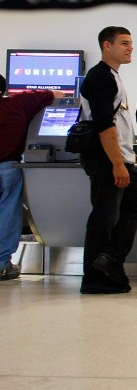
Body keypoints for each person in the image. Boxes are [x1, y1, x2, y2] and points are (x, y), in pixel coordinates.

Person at [78, 26, 137, 294]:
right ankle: (94, 276)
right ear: (107, 45)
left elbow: (118, 123)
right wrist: (118, 162)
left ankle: (108, 261)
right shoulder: (99, 78)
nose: (130, 48)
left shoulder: (112, 76)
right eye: (124, 43)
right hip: (105, 160)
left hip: (118, 155)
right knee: (104, 217)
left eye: (131, 43)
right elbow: (104, 125)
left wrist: (127, 152)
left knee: (134, 206)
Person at [0, 75, 62, 280]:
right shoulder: (18, 103)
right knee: (7, 214)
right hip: (8, 167)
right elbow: (57, 95)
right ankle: (2, 264)